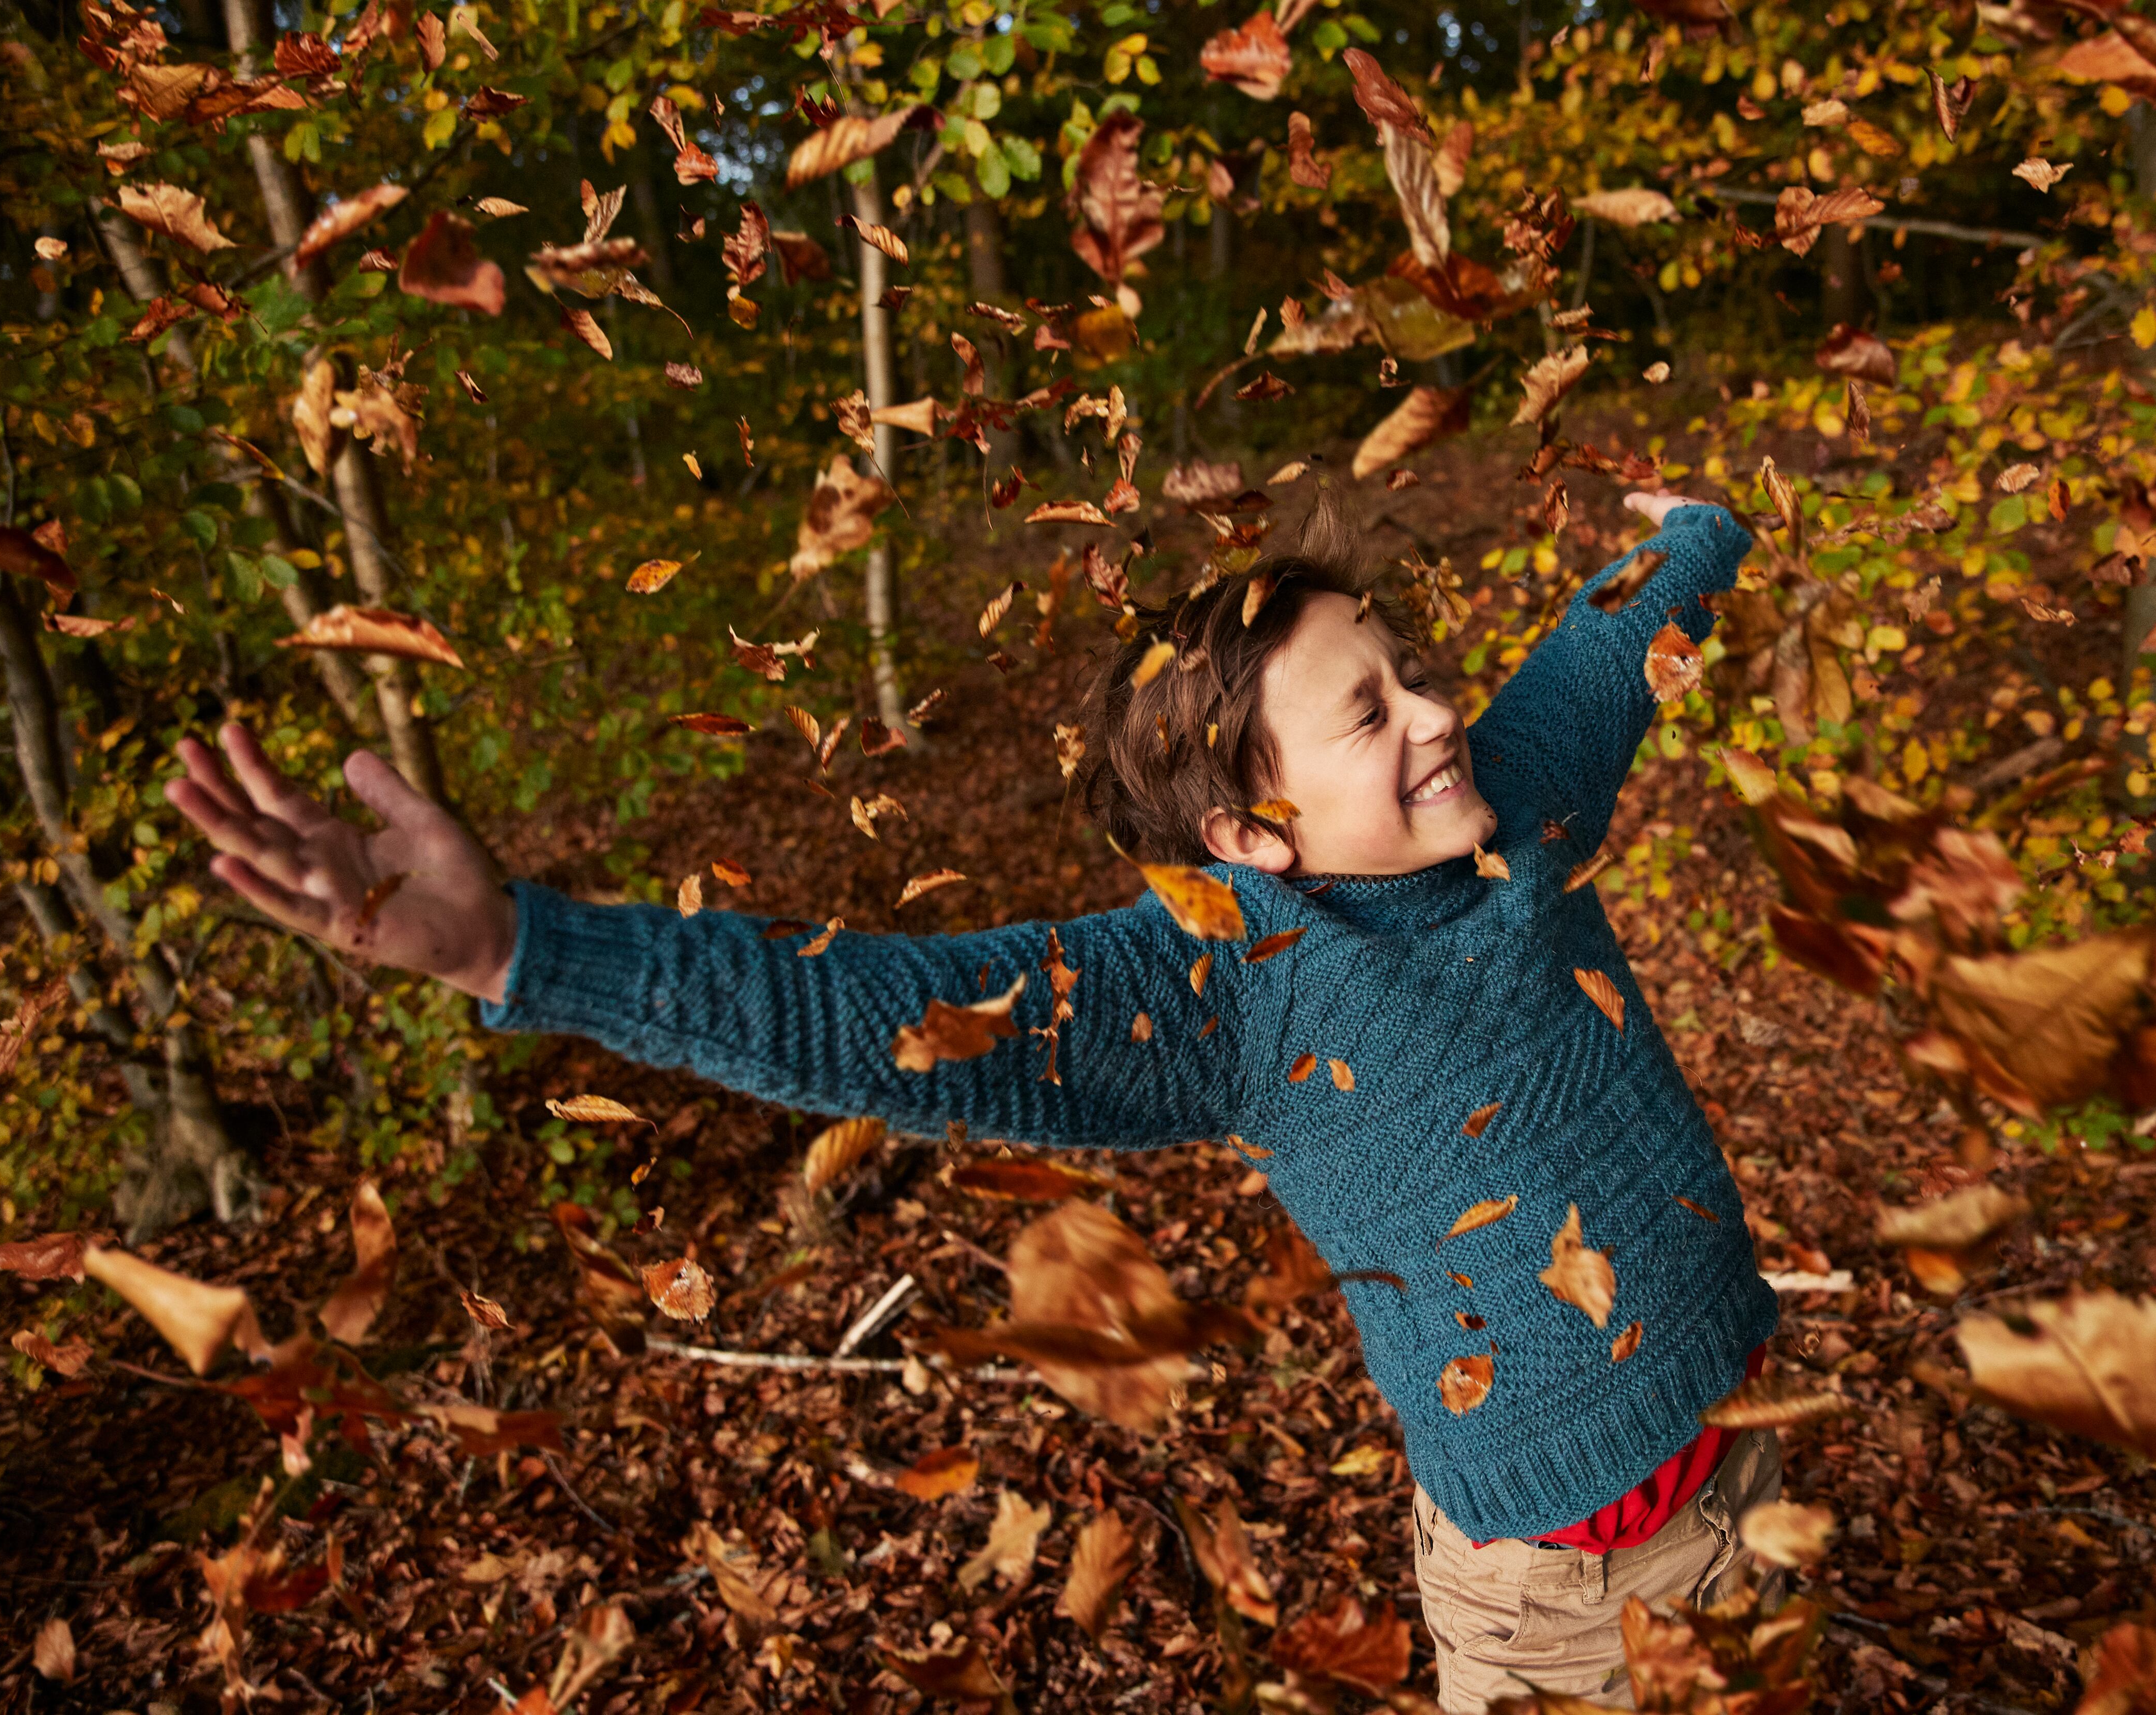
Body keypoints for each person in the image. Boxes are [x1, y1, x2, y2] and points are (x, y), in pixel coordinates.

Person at [167, 490, 1780, 1710]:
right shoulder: (1218, 990)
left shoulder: (1521, 796)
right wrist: (519, 946)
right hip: (1561, 1597)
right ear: (1251, 836)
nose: (1435, 711)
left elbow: (1617, 628)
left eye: (1406, 673)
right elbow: (858, 1011)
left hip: (1752, 1468)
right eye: (1368, 712)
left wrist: (1699, 530)